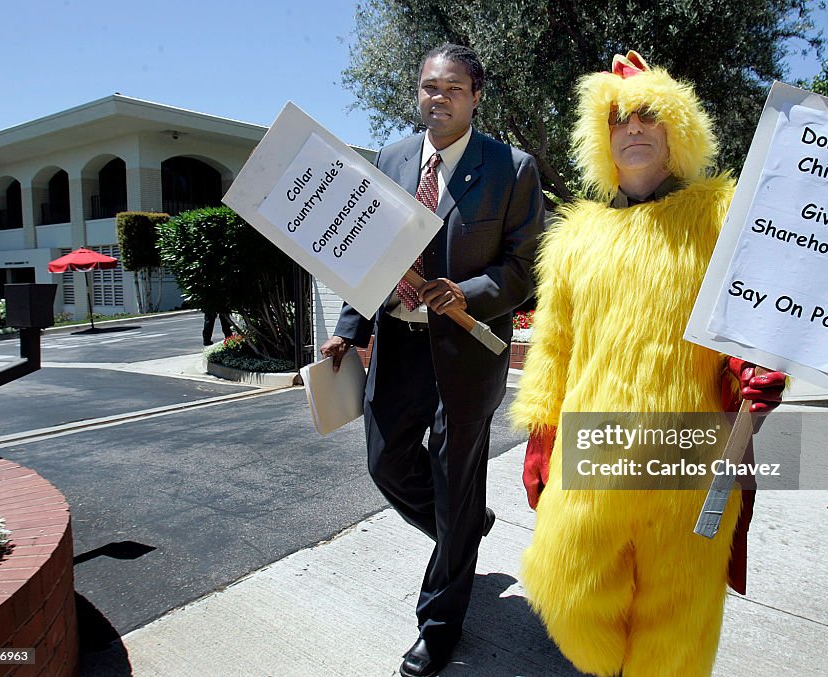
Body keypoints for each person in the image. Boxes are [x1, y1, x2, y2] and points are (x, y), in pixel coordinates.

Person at [511, 50, 786, 676]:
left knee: (675, 632)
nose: (632, 128)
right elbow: (554, 347)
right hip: (591, 453)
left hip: (688, 460)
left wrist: (759, 374)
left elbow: (762, 321)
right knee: (570, 599)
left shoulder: (722, 217)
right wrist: (540, 441)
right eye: (617, 117)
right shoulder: (575, 236)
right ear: (599, 135)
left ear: (678, 129)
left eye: (647, 114)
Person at [320, 44, 545, 677]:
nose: (436, 98)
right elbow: (361, 249)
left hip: (466, 352)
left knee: (451, 478)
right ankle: (464, 528)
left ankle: (439, 624)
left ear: (476, 96)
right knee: (386, 461)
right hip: (397, 344)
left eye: (450, 88)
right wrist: (348, 327)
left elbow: (525, 267)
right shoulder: (388, 159)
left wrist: (467, 293)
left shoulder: (511, 167)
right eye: (427, 87)